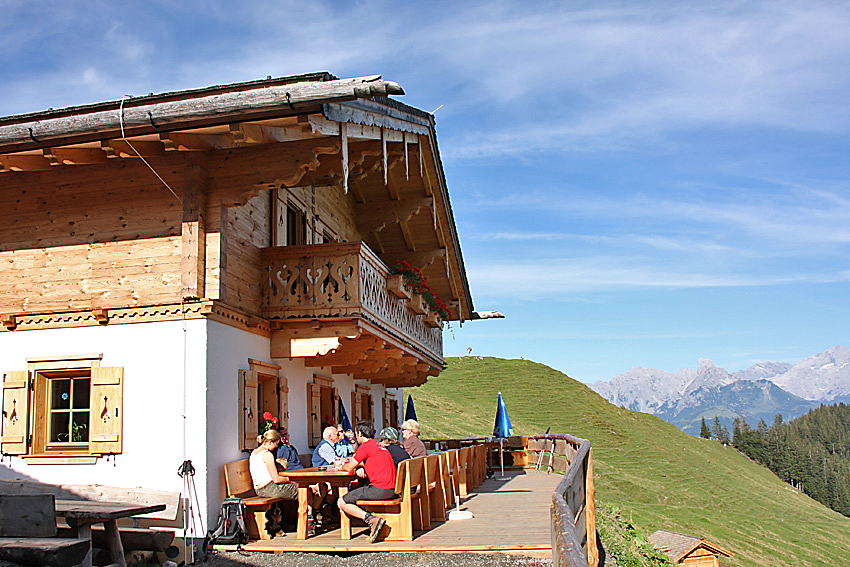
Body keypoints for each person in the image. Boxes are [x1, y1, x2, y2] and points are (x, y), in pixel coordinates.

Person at [336, 421, 398, 543]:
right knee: (357, 493)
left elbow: (348, 468)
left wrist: (341, 466)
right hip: (392, 488)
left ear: (359, 433)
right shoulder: (378, 445)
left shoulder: (365, 446)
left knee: (342, 502)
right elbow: (370, 461)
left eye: (355, 434)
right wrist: (361, 467)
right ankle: (372, 520)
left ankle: (371, 520)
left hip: (380, 489)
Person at [249, 430, 298, 501]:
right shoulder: (267, 455)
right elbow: (276, 479)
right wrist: (292, 479)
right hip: (269, 488)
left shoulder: (254, 453)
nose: (276, 446)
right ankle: (309, 511)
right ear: (270, 442)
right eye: (276, 444)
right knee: (302, 489)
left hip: (259, 490)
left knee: (301, 488)